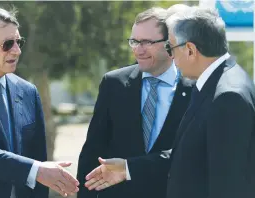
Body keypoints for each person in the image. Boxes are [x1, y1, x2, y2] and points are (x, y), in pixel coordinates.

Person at [85, 6, 255, 198]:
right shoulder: (221, 82)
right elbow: (189, 156)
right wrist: (127, 168)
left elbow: (227, 187)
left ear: (190, 50)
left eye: (171, 47)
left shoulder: (227, 97)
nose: (172, 56)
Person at [0, 3, 79, 198]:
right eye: (7, 44)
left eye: (18, 42)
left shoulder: (28, 91)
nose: (17, 51)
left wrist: (39, 172)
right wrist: (36, 170)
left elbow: (38, 157)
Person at [77, 7, 194, 198]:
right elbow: (93, 150)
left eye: (147, 42)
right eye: (134, 42)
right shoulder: (113, 84)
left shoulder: (194, 88)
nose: (138, 50)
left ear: (169, 43)